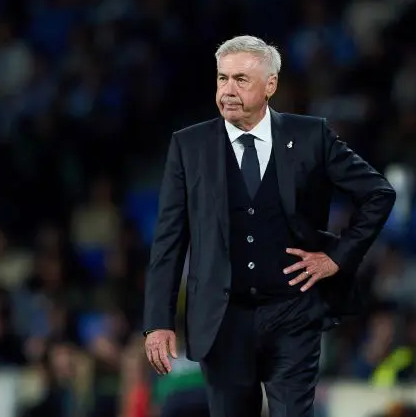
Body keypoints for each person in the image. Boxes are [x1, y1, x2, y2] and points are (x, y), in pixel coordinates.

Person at [143, 35, 396, 417]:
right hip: (221, 319)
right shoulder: (189, 146)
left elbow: (379, 193)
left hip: (293, 312)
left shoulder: (311, 136)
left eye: (241, 80)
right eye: (222, 78)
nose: (228, 90)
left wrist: (337, 258)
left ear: (271, 85)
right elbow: (169, 238)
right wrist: (158, 322)